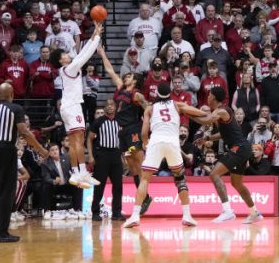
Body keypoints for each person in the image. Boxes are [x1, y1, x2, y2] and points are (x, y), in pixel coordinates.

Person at [0, 82, 48, 242]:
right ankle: (2, 233)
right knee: (6, 190)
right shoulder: (15, 109)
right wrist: (41, 149)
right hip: (6, 150)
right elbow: (24, 132)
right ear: (12, 95)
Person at [123, 82, 207, 228]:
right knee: (180, 179)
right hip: (173, 144)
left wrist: (144, 143)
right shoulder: (177, 105)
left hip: (156, 142)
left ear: (157, 95)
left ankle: (135, 216)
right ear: (170, 93)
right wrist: (202, 114)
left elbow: (144, 131)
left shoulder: (150, 108)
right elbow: (200, 113)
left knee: (144, 180)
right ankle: (187, 215)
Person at [193, 87, 262, 223]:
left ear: (213, 97)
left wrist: (186, 112)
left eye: (209, 95)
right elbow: (222, 134)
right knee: (236, 183)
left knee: (214, 174)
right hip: (243, 148)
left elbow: (206, 120)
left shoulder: (221, 111)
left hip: (239, 148)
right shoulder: (221, 112)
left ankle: (228, 211)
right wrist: (207, 139)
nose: (207, 98)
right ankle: (255, 213)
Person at [48, 22, 104, 190]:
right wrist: (97, 37)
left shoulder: (66, 69)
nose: (68, 55)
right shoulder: (69, 68)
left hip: (68, 106)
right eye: (65, 54)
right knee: (78, 140)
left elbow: (82, 53)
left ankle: (76, 172)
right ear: (61, 59)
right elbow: (84, 55)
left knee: (74, 142)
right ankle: (80, 172)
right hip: (72, 106)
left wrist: (94, 33)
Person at [98, 46, 152, 215]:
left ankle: (144, 195)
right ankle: (146, 197)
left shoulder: (137, 95)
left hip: (133, 130)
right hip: (120, 131)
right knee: (132, 166)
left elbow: (149, 109)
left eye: (130, 76)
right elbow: (109, 69)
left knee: (139, 162)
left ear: (134, 81)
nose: (126, 77)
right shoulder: (120, 87)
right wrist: (101, 53)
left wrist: (149, 126)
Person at [87, 98, 124, 221]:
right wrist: (91, 156)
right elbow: (89, 139)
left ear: (115, 107)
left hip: (116, 155)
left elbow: (123, 139)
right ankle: (95, 212)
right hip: (102, 155)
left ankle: (117, 213)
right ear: (104, 108)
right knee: (99, 185)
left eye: (111, 105)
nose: (109, 107)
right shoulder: (99, 122)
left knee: (118, 185)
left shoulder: (120, 121)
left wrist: (124, 156)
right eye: (107, 105)